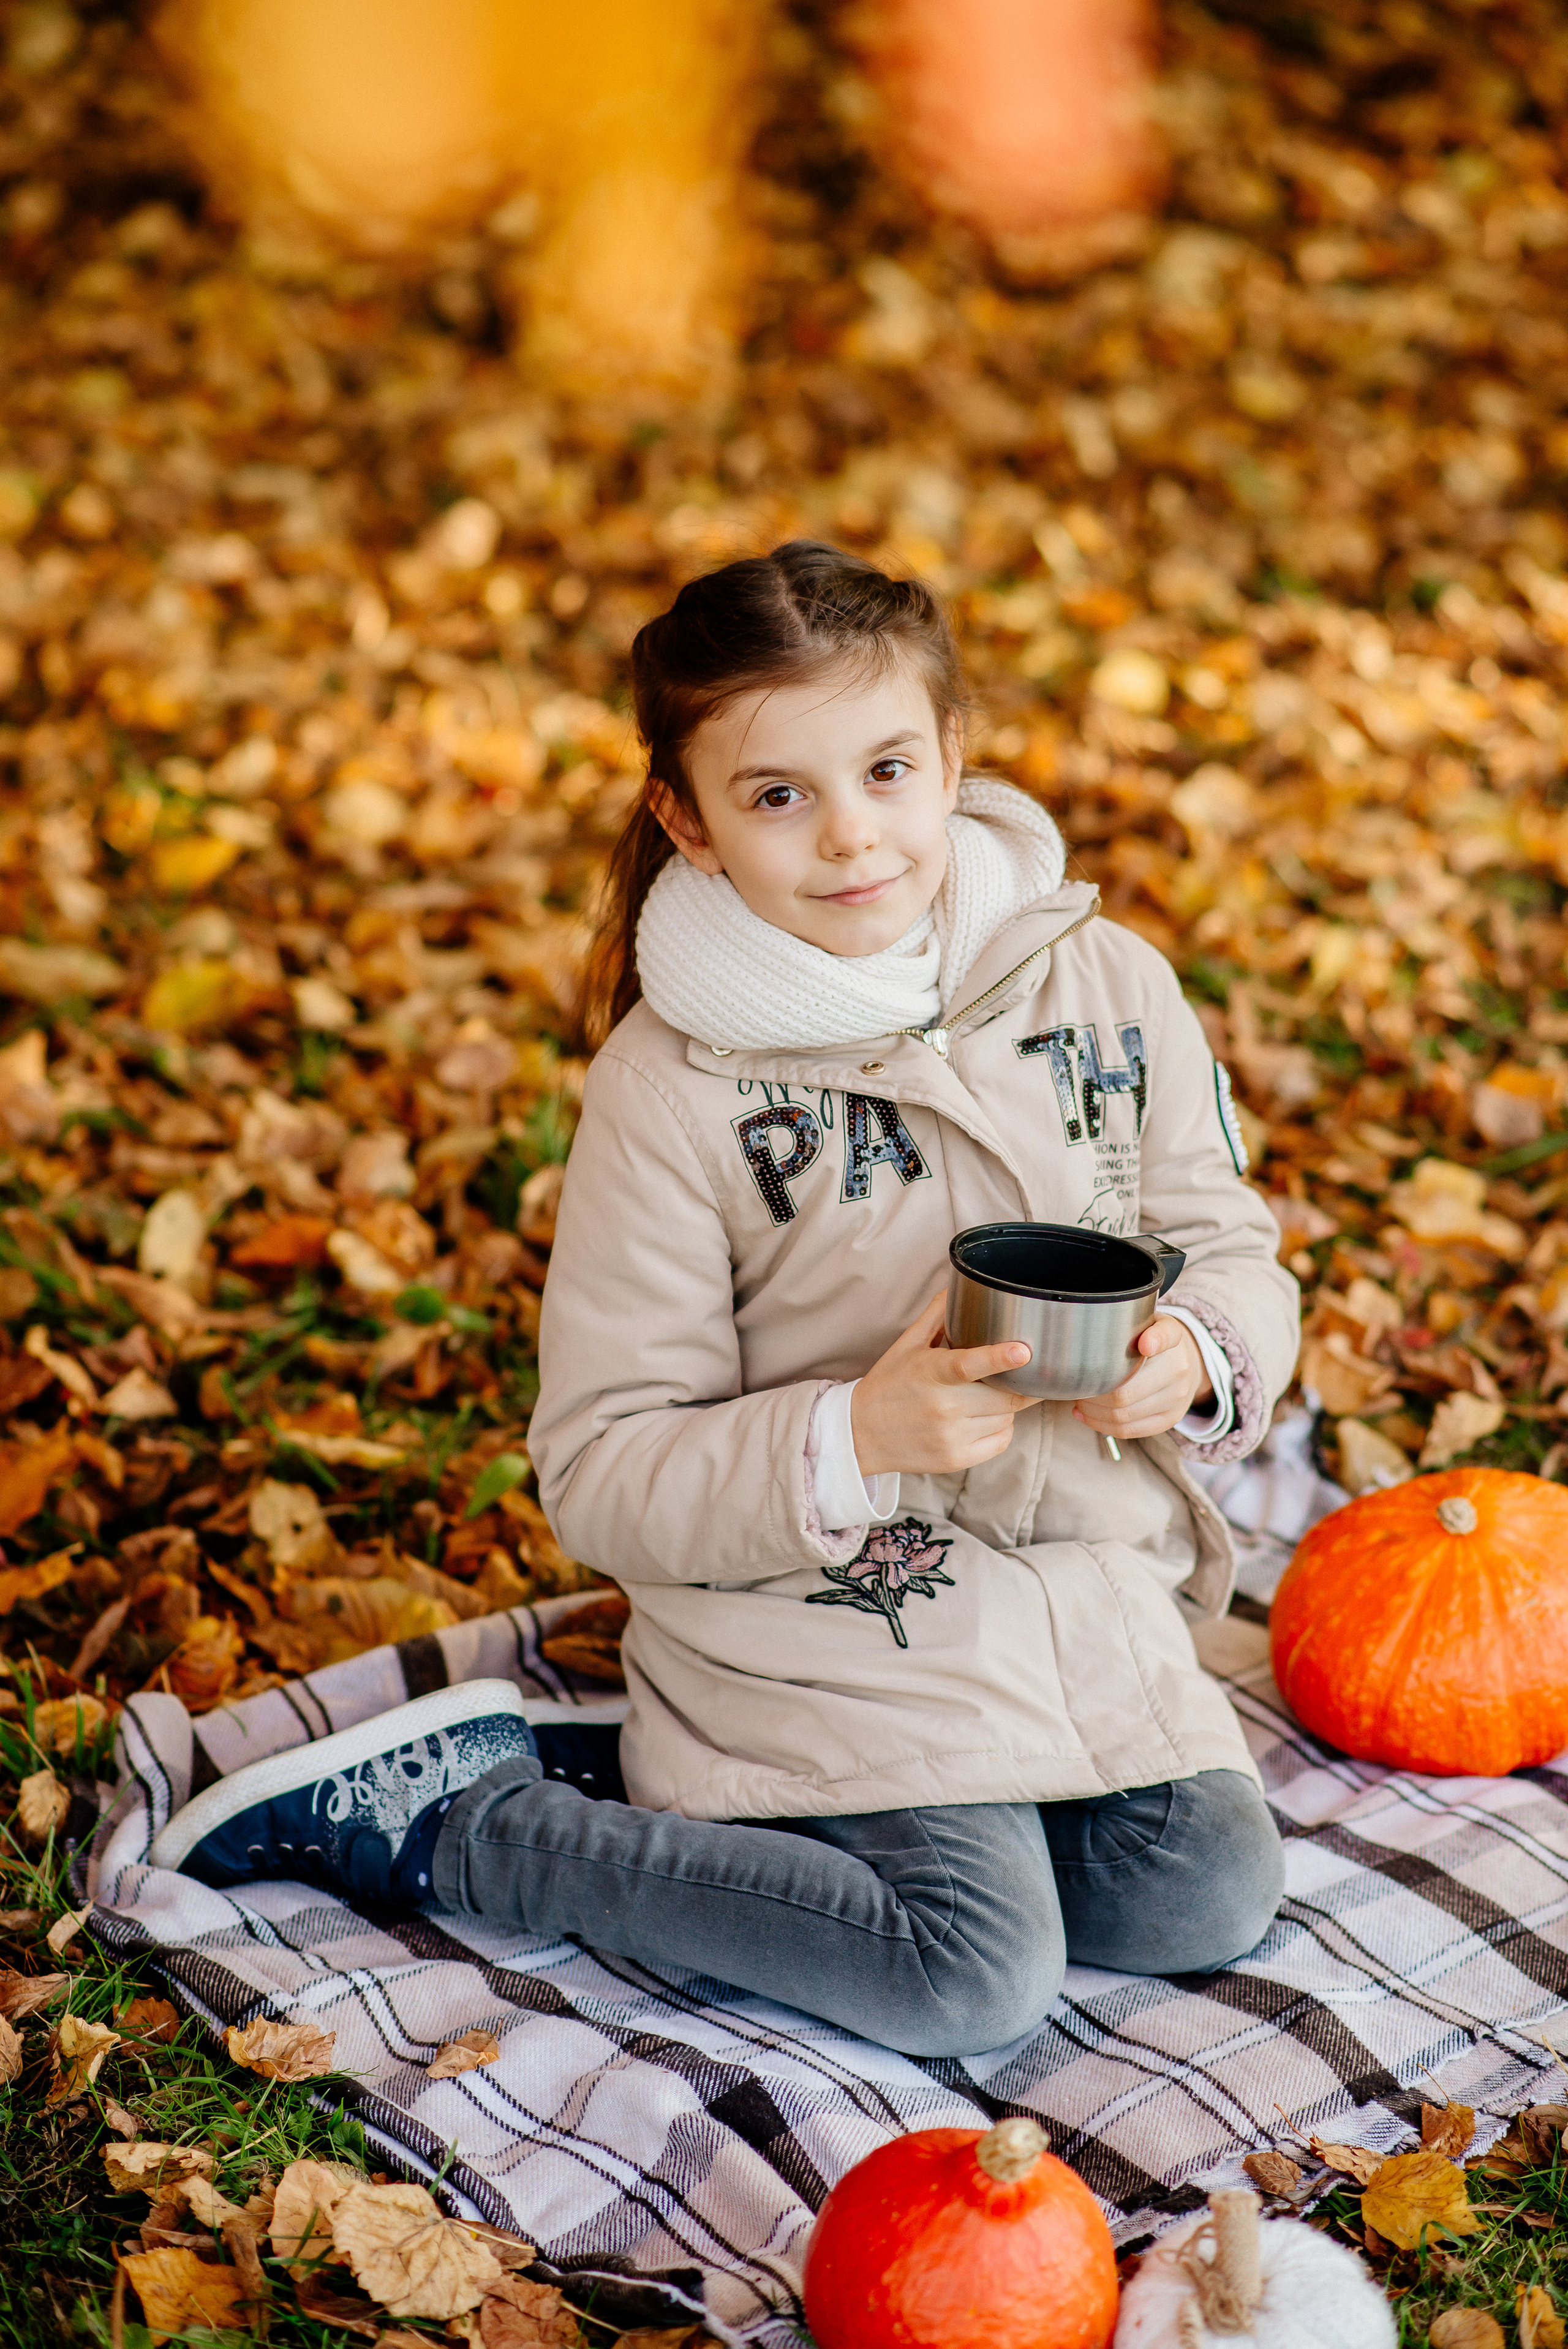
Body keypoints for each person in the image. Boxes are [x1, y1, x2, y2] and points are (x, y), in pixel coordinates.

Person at [159, 543, 1298, 2059]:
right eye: (778, 796)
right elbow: (605, 1464)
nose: (851, 837)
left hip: (1080, 1576)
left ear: (953, 754)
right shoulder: (668, 1092)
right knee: (967, 1976)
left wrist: (1196, 1350)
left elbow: (1226, 1234)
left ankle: (709, 1781)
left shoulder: (1104, 982)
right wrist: (857, 1431)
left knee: (1207, 1893)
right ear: (684, 820)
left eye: (889, 769)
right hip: (821, 1618)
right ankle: (478, 1822)